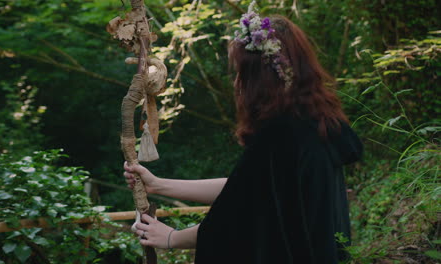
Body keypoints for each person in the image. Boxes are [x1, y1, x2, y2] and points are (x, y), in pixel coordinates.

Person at [124, 3, 363, 263]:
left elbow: (238, 215)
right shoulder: (316, 127)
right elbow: (247, 187)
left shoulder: (282, 136)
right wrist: (159, 185)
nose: (237, 84)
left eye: (241, 74)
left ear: (259, 80)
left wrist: (172, 238)